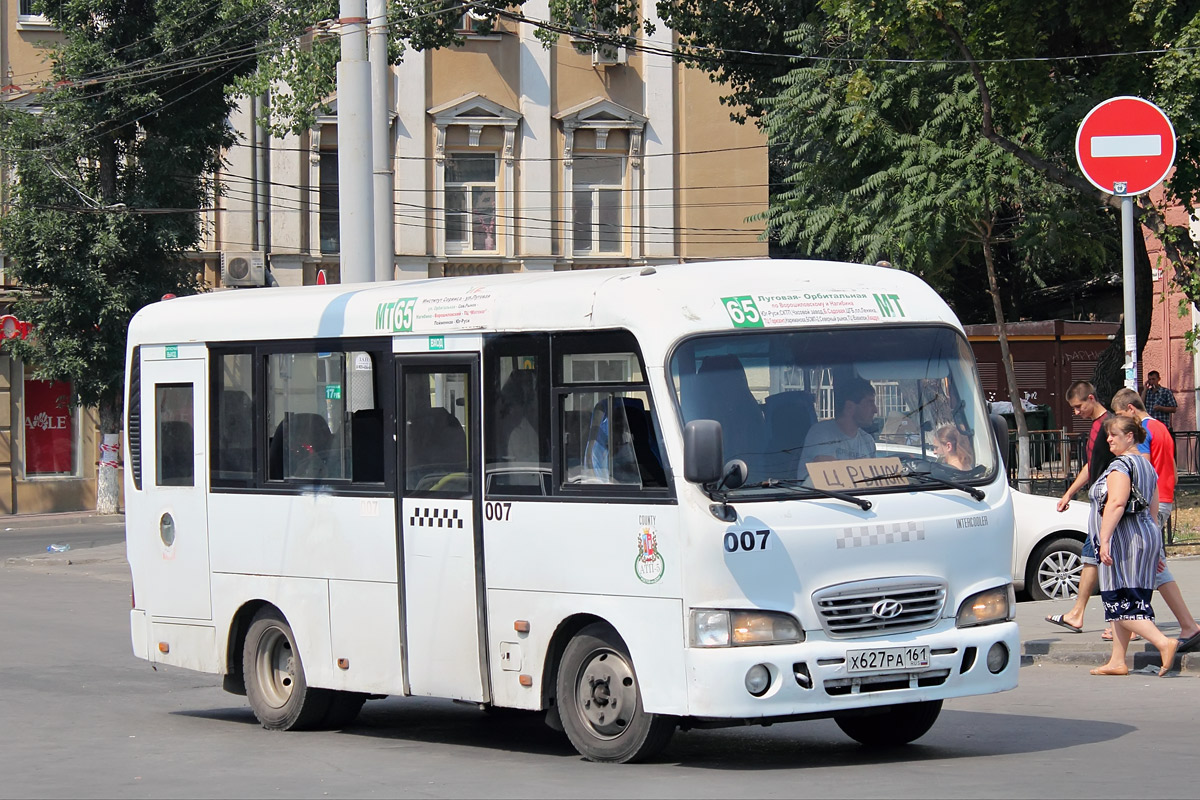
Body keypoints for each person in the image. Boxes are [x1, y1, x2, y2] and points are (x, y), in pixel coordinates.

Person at [1087, 416, 1179, 676]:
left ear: (1130, 436)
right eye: (1108, 435)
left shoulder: (1122, 465)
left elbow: (1116, 503)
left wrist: (1104, 539)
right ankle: (1117, 660)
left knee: (1119, 601)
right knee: (1131, 596)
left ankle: (1163, 642)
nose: (1108, 439)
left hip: (1124, 540)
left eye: (1114, 435)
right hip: (1145, 536)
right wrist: (1157, 547)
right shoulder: (1145, 465)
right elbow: (1153, 508)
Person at [1110, 388, 1200, 651]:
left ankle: (1143, 622)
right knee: (1154, 564)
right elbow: (1171, 465)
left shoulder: (1144, 431)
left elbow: (1141, 468)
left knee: (1150, 566)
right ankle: (1136, 622)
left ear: (1130, 409)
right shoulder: (1161, 427)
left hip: (1150, 504)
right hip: (1164, 497)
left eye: (1119, 416)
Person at [1044, 381, 1115, 633]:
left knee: (1106, 560)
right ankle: (1079, 613)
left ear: (1091, 398)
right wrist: (1069, 494)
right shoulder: (1098, 426)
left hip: (1109, 503)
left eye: (1078, 406)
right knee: (1091, 558)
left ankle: (1123, 622)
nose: (1076, 412)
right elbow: (1090, 465)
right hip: (1100, 502)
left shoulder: (1110, 425)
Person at [797, 377, 877, 479]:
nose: (875, 410)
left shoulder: (868, 441)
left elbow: (874, 479)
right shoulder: (821, 433)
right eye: (870, 403)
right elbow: (829, 474)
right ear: (849, 407)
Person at [1141, 370, 1177, 438]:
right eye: (1150, 379)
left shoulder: (1166, 392)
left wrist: (1161, 408)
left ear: (1158, 379)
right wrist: (1145, 390)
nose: (1152, 381)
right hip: (1150, 426)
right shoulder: (1147, 393)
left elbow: (1173, 409)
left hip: (1162, 425)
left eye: (1153, 379)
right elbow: (1141, 405)